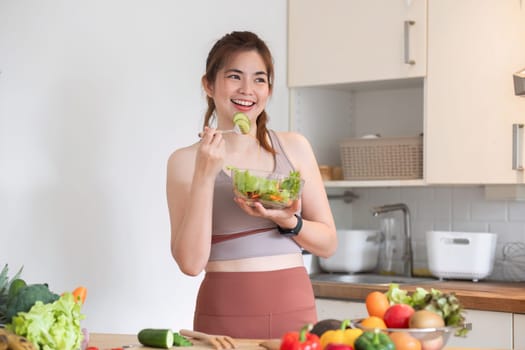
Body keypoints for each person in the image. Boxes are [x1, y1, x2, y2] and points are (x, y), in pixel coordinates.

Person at [166, 31, 337, 339]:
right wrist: (205, 176)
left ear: (269, 89)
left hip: (295, 314)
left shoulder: (294, 147)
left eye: (259, 79)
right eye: (235, 76)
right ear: (208, 84)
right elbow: (191, 263)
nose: (248, 90)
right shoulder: (184, 162)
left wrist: (288, 221)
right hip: (222, 319)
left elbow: (327, 244)